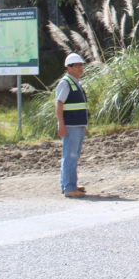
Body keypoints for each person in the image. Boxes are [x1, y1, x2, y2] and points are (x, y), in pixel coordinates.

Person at [56, 53, 89, 198]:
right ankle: (69, 188)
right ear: (69, 68)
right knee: (70, 156)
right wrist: (61, 123)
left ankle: (69, 185)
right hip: (71, 126)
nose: (81, 68)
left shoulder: (75, 82)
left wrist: (83, 125)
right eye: (77, 66)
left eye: (81, 65)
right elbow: (59, 103)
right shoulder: (66, 83)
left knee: (72, 156)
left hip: (78, 125)